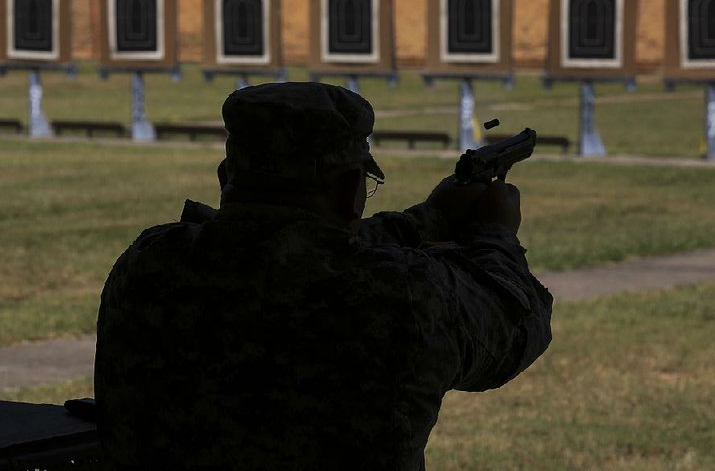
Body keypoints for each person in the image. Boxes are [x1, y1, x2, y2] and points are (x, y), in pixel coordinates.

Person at [94, 82, 553, 470]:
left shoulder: (148, 264)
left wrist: (424, 221)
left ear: (225, 175)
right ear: (353, 190)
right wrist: (495, 236)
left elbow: (286, 247)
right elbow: (516, 325)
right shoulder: (403, 294)